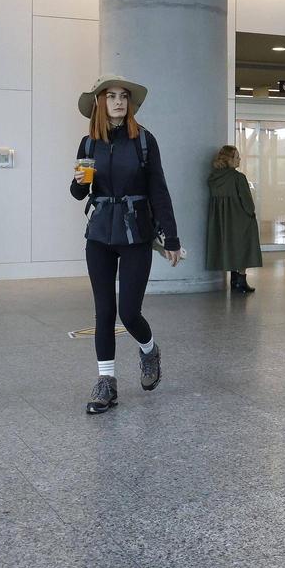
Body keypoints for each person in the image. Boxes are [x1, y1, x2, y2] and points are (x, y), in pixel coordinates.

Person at [71, 75, 183, 415]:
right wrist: (78, 182)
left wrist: (172, 237)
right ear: (100, 104)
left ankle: (149, 351)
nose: (119, 102)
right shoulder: (89, 144)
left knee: (129, 312)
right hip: (100, 234)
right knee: (104, 310)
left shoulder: (144, 141)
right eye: (111, 96)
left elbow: (159, 191)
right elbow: (79, 193)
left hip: (136, 232)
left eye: (124, 97)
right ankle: (107, 381)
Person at [206, 145, 262, 294]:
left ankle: (233, 279)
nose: (239, 159)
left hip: (222, 221)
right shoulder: (238, 178)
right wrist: (251, 214)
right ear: (229, 159)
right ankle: (241, 280)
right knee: (244, 246)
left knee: (229, 246)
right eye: (237, 157)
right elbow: (247, 202)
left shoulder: (213, 177)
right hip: (239, 217)